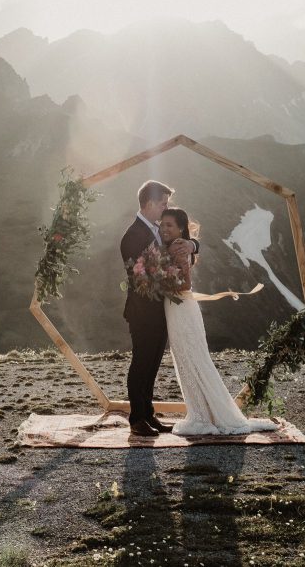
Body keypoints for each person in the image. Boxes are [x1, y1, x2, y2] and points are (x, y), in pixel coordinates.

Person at [159, 208, 278, 436]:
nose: (164, 229)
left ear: (180, 229)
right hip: (179, 307)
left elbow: (183, 284)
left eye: (169, 225)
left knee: (191, 359)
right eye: (162, 224)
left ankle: (203, 417)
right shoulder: (181, 245)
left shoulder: (178, 248)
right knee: (190, 359)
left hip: (180, 307)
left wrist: (160, 281)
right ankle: (205, 413)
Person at [120, 180, 197, 437]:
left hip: (161, 311)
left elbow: (185, 239)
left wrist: (192, 245)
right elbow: (140, 277)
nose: (166, 207)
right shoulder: (132, 236)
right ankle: (136, 418)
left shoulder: (157, 229)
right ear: (150, 203)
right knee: (141, 363)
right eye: (163, 203)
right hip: (142, 313)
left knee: (152, 364)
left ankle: (149, 414)